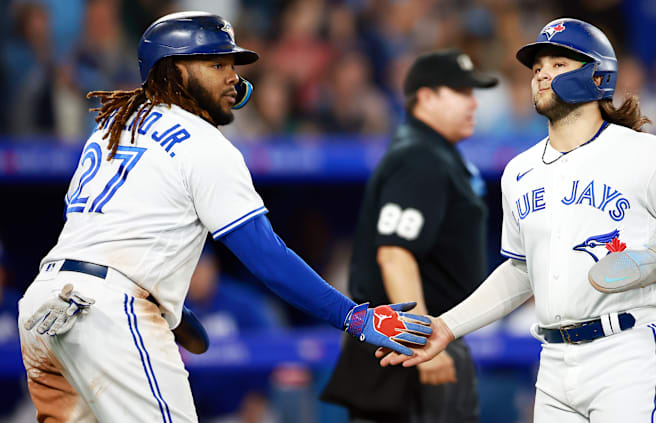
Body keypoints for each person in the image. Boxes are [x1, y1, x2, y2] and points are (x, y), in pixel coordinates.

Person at [16, 12, 431, 423]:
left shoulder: (110, 128)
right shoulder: (202, 140)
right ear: (174, 72)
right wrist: (352, 316)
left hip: (44, 304)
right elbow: (267, 256)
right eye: (216, 64)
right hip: (109, 312)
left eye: (232, 65)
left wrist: (170, 308)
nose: (232, 76)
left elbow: (110, 237)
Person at [379, 18, 656, 423]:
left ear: (597, 75)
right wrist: (446, 326)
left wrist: (653, 261)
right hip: (553, 360)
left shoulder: (645, 154)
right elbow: (520, 271)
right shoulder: (518, 170)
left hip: (626, 351)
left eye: (558, 63)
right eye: (537, 67)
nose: (542, 73)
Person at [321, 49, 498, 423]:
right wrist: (419, 340)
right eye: (462, 92)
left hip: (413, 339)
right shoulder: (420, 157)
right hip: (408, 345)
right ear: (426, 97)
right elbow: (395, 254)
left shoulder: (434, 153)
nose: (473, 102)